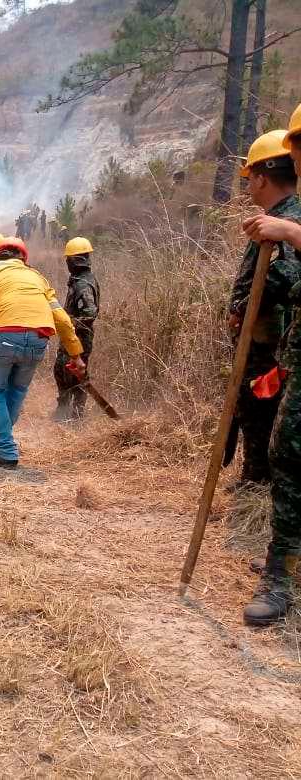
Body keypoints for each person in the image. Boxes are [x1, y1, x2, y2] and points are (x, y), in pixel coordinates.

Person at [237, 105, 301, 626]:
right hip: (287, 357)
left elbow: (284, 286)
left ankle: (282, 574)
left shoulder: (293, 220)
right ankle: (283, 563)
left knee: (289, 455)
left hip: (274, 356)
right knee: (284, 453)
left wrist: (290, 235)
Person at [0, 238, 85, 469]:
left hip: (4, 335)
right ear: (23, 259)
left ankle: (6, 450)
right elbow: (63, 319)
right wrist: (76, 354)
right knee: (16, 390)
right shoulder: (37, 277)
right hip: (38, 339)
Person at [228, 130, 301, 490]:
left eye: (250, 179)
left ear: (261, 177)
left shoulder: (288, 222)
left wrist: (243, 308)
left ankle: (256, 485)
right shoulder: (277, 219)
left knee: (261, 410)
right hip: (263, 339)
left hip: (270, 342)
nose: (248, 187)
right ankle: (253, 479)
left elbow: (286, 274)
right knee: (253, 409)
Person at [53, 237, 101, 422]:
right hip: (74, 335)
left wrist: (70, 323)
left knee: (69, 373)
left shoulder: (82, 283)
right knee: (64, 372)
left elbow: (89, 313)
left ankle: (74, 414)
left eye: (68, 259)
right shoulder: (80, 279)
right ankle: (67, 412)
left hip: (78, 337)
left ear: (73, 260)